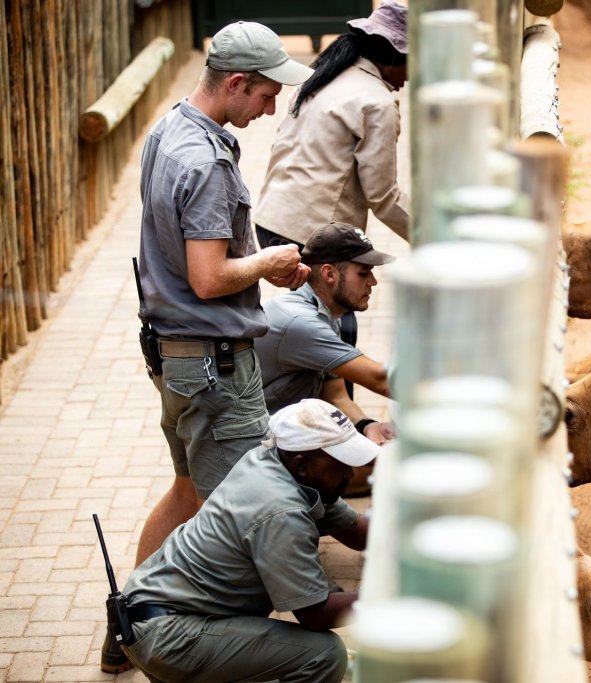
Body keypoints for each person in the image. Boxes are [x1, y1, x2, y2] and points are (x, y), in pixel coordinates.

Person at [108, 21, 314, 674]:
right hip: (216, 368)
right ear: (235, 82)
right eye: (265, 94)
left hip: (177, 357)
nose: (271, 107)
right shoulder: (206, 162)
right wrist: (270, 263)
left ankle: (127, 626)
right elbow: (208, 275)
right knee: (249, 519)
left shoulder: (170, 130)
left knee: (186, 491)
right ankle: (219, 652)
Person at [116, 399, 377, 683]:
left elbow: (357, 532)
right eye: (341, 465)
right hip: (170, 638)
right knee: (323, 655)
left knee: (326, 591)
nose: (350, 474)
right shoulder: (282, 510)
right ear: (302, 464)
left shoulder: (275, 460)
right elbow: (315, 614)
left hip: (157, 616)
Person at [252, 0, 410, 249]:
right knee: (357, 285)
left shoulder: (323, 76)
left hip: (270, 221)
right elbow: (382, 196)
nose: (410, 76)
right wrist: (429, 236)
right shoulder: (378, 103)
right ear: (394, 56)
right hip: (312, 237)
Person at [255, 223, 396, 454]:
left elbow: (335, 395)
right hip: (251, 446)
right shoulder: (301, 322)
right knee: (390, 467)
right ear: (329, 273)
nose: (373, 281)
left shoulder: (327, 314)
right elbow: (381, 380)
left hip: (283, 434)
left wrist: (367, 425)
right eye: (363, 273)